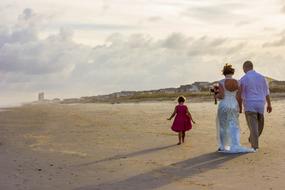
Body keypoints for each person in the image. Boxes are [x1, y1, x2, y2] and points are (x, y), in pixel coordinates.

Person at [216, 64, 255, 153]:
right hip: (234, 104)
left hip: (224, 105)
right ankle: (235, 144)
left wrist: (215, 95)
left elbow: (221, 96)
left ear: (224, 73)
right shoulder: (238, 82)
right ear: (232, 72)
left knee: (223, 126)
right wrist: (240, 107)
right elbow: (239, 96)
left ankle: (223, 146)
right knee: (234, 125)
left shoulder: (221, 82)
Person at [237, 60, 272, 150]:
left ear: (245, 68)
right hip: (260, 104)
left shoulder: (243, 79)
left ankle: (254, 144)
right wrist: (269, 104)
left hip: (249, 105)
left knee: (253, 127)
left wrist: (240, 106)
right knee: (259, 126)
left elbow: (240, 94)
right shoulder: (262, 78)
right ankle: (254, 141)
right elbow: (266, 92)